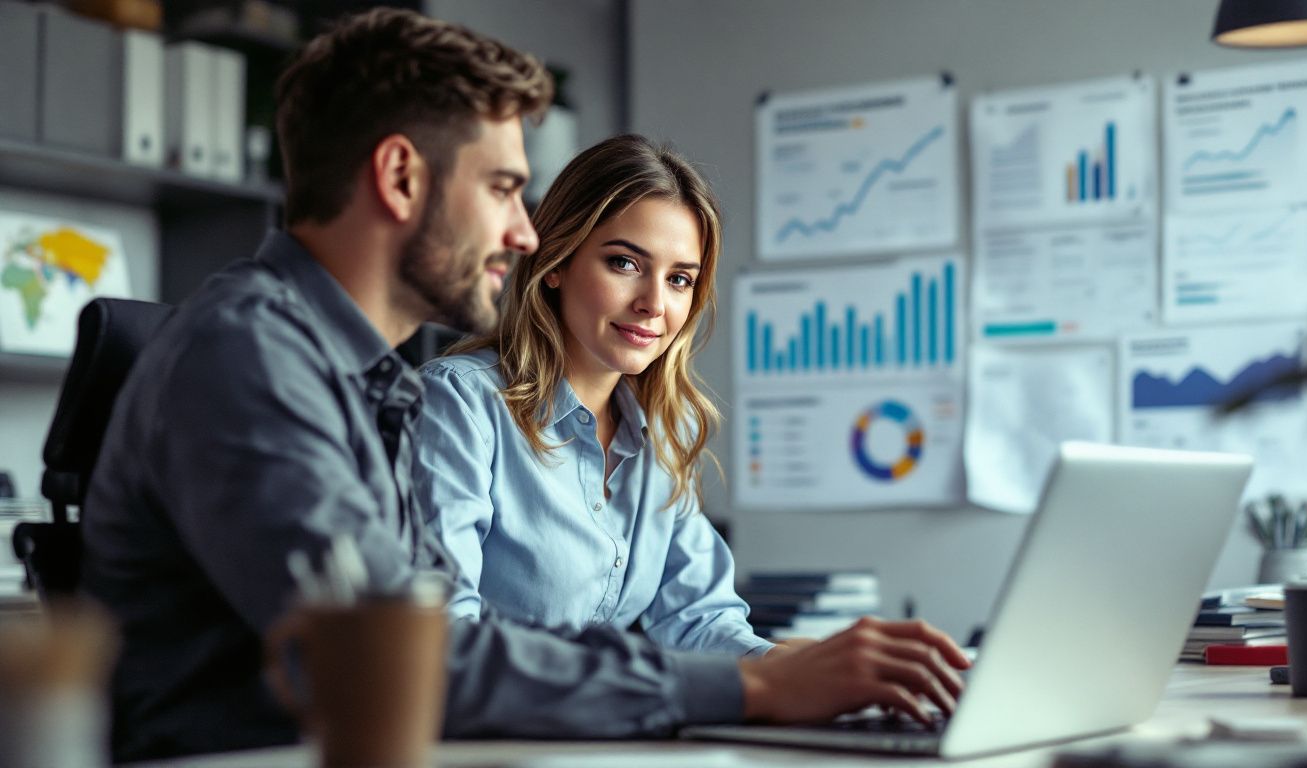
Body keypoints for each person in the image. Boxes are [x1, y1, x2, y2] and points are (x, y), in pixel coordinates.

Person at [78, 8, 970, 763]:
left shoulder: (357, 379)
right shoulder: (253, 360)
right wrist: (749, 684)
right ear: (399, 178)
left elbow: (424, 635)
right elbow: (413, 662)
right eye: (505, 189)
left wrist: (800, 678)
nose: (522, 232)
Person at [417, 134, 771, 657]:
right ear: (557, 261)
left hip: (590, 729)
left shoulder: (667, 435)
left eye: (679, 279)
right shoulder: (460, 406)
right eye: (625, 264)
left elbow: (700, 621)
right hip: (482, 734)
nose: (654, 303)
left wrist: (809, 672)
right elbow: (442, 638)